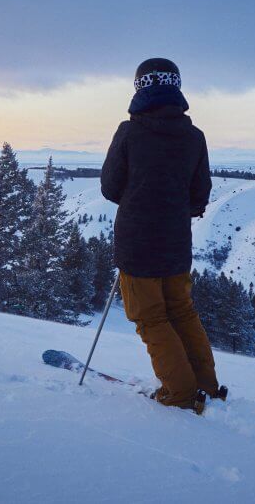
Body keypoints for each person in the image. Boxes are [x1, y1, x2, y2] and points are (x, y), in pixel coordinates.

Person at [101, 57, 224, 414]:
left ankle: (180, 393)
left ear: (140, 87)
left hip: (137, 244)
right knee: (183, 313)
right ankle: (206, 386)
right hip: (176, 243)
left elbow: (110, 187)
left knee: (151, 318)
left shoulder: (129, 133)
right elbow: (200, 195)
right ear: (176, 87)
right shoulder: (194, 137)